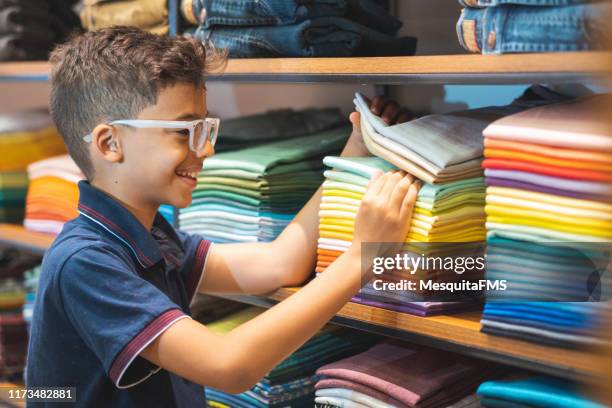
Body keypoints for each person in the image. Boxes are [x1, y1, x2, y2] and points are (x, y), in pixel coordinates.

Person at [26, 26, 420, 407]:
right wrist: (361, 260)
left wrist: (353, 155)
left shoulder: (150, 236)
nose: (207, 151)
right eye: (184, 132)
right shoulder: (86, 262)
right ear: (110, 143)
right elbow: (229, 365)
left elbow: (279, 263)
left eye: (205, 129)